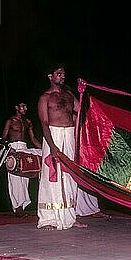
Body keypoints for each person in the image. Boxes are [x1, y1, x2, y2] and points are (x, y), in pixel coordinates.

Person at [37, 64, 92, 230]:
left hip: (69, 135)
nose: (62, 76)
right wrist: (52, 146)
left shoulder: (68, 95)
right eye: (58, 74)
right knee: (52, 175)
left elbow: (82, 109)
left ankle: (70, 216)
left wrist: (83, 92)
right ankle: (48, 219)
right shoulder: (45, 98)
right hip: (53, 135)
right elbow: (44, 123)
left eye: (63, 74)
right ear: (50, 76)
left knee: (70, 175)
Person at [2, 102, 42, 217]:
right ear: (16, 107)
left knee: (25, 178)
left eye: (26, 106)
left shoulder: (28, 121)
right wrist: (9, 150)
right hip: (13, 148)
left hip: (24, 148)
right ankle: (17, 207)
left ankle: (23, 206)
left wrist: (44, 150)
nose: (25, 108)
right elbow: (4, 138)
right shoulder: (10, 121)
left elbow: (33, 138)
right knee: (15, 180)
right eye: (22, 106)